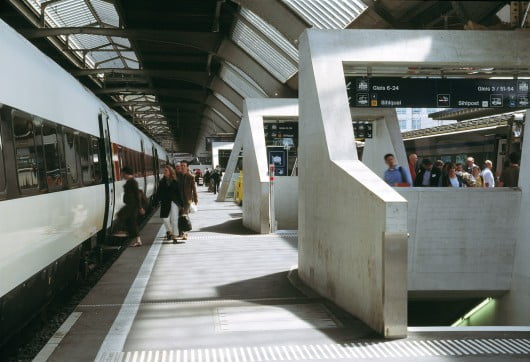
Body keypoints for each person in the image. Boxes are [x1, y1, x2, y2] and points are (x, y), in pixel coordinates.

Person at [114, 167, 143, 247]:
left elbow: (137, 195)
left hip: (132, 205)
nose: (122, 175)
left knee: (122, 215)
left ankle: (122, 231)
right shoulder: (130, 181)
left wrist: (140, 207)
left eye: (122, 173)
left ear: (126, 173)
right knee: (131, 221)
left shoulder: (133, 182)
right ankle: (136, 239)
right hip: (130, 205)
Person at [157, 165, 182, 242]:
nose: (164, 172)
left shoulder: (175, 181)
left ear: (170, 172)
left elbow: (179, 193)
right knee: (165, 219)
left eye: (166, 171)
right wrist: (156, 202)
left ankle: (174, 236)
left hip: (174, 202)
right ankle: (170, 231)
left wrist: (182, 204)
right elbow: (158, 193)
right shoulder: (161, 182)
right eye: (164, 171)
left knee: (174, 219)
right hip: (165, 202)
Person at [177, 160, 198, 240]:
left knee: (184, 216)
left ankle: (184, 233)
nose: (182, 167)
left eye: (184, 166)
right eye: (181, 165)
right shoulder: (177, 176)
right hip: (178, 200)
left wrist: (195, 199)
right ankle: (180, 232)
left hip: (187, 200)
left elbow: (194, 189)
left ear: (187, 167)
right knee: (179, 216)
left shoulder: (190, 177)